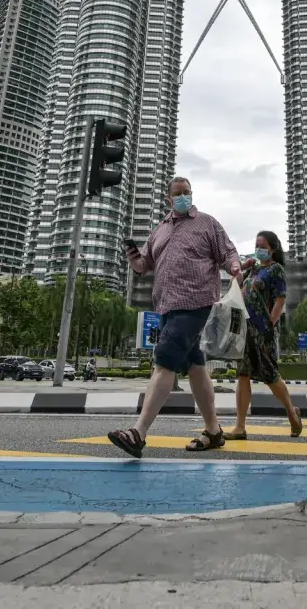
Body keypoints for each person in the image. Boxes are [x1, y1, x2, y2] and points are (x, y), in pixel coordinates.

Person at [108, 177, 241, 458]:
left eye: (187, 192)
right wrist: (135, 261)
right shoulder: (160, 230)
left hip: (196, 303)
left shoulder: (206, 223)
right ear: (169, 199)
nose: (183, 197)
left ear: (192, 194)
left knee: (165, 358)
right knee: (195, 366)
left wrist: (236, 265)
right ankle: (214, 431)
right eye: (178, 194)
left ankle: (138, 433)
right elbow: (145, 264)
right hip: (166, 306)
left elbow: (227, 252)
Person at [227, 230, 304, 441]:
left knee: (270, 375)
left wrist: (270, 324)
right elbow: (240, 293)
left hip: (263, 331)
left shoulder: (276, 270)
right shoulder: (254, 271)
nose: (259, 249)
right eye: (257, 245)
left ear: (272, 248)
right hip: (246, 329)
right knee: (242, 375)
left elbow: (280, 299)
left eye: (262, 246)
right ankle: (240, 426)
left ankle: (291, 411)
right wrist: (240, 272)